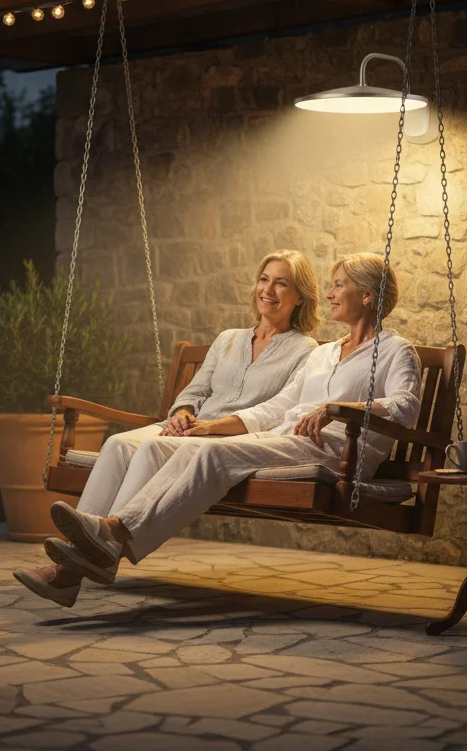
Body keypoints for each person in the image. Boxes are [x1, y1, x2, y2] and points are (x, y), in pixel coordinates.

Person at [43, 252, 420, 600]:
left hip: (332, 450)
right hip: (283, 439)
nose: (332, 293)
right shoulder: (325, 352)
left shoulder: (394, 350)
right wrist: (216, 426)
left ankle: (112, 532)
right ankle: (97, 546)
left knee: (213, 457)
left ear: (368, 296)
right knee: (179, 446)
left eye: (340, 285)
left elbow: (406, 404)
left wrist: (337, 409)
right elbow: (282, 404)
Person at [13, 249, 321, 606]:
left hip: (228, 439)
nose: (268, 289)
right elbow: (196, 389)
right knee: (117, 444)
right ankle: (91, 550)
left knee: (149, 448)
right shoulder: (229, 339)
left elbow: (276, 410)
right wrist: (183, 412)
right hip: (187, 429)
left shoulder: (305, 349)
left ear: (299, 296)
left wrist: (212, 427)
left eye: (282, 283)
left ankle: (77, 565)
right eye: (264, 279)